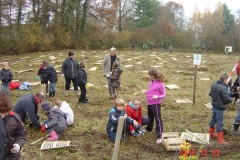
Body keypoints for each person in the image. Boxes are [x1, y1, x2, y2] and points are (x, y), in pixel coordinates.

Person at [141, 69, 167, 144]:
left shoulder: (160, 84)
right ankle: (149, 129)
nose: (148, 76)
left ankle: (159, 136)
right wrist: (146, 91)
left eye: (149, 75)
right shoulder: (151, 82)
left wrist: (157, 97)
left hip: (155, 104)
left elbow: (164, 95)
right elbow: (151, 90)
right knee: (150, 117)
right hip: (149, 102)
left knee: (158, 119)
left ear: (152, 76)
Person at [0, 92, 27, 160]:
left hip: (12, 156)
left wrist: (18, 144)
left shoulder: (14, 118)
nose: (2, 115)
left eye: (5, 112)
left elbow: (22, 133)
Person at [208, 73, 232, 145]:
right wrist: (230, 99)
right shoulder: (223, 87)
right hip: (220, 107)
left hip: (214, 105)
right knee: (219, 122)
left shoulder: (214, 84)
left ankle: (211, 134)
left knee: (213, 119)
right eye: (228, 81)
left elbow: (211, 93)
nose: (229, 83)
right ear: (225, 80)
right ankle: (220, 140)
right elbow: (226, 98)